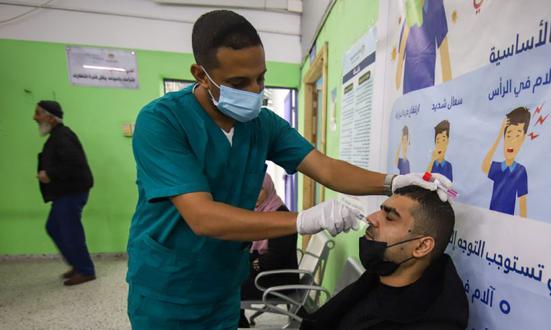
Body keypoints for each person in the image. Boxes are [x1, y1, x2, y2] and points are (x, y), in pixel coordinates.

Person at [126, 9, 452, 328]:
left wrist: (392, 182)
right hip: (167, 286)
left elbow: (326, 168)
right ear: (200, 74)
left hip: (225, 283)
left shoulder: (261, 124)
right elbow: (202, 217)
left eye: (261, 77)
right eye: (239, 82)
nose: (256, 91)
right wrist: (303, 220)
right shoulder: (162, 122)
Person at [301, 185, 468, 330]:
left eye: (390, 217)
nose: (371, 218)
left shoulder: (433, 323)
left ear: (421, 246)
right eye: (380, 210)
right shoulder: (375, 279)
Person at [33, 100, 95, 286]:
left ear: (50, 117)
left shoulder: (63, 136)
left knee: (70, 231)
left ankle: (85, 270)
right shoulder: (57, 136)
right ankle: (77, 265)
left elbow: (73, 164)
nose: (35, 117)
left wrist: (49, 174)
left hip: (72, 192)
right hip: (64, 193)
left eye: (38, 113)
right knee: (53, 227)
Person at [238, 173, 299, 328]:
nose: (254, 194)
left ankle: (240, 324)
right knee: (230, 274)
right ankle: (240, 321)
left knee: (230, 285)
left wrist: (252, 263)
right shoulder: (262, 212)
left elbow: (274, 259)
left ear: (269, 188)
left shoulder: (281, 216)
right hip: (270, 274)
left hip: (279, 279)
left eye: (259, 189)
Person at [481, 107, 530, 217]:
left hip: (507, 223)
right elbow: (484, 166)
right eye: (508, 135)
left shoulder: (520, 171)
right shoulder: (498, 167)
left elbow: (522, 205)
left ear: (523, 139)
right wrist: (499, 136)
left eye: (517, 135)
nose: (511, 141)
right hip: (491, 218)